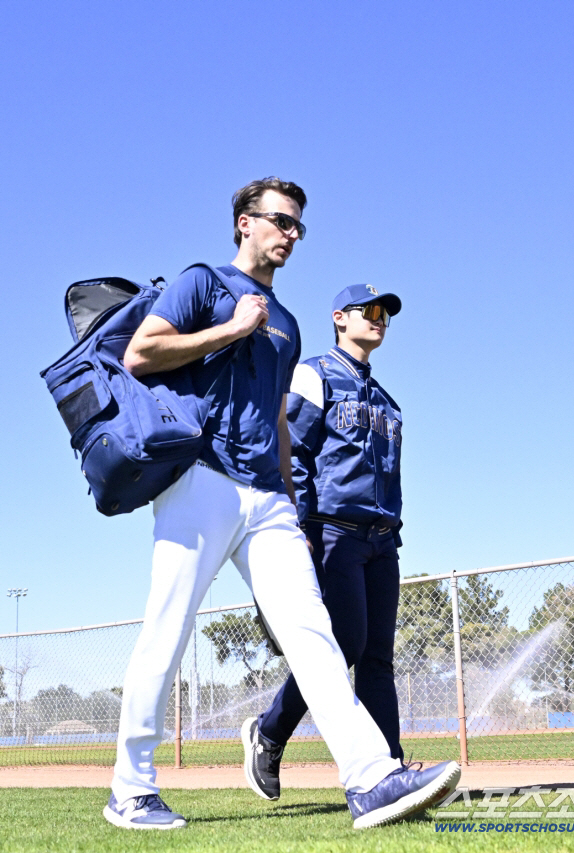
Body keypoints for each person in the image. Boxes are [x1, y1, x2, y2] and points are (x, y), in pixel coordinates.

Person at [103, 177, 460, 831]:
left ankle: (371, 777)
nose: (291, 234)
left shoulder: (288, 324)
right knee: (167, 632)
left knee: (315, 635)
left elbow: (277, 419)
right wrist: (230, 329)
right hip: (202, 480)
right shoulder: (203, 283)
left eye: (298, 225)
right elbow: (140, 354)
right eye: (281, 220)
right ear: (245, 222)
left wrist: (292, 504)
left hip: (269, 499)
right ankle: (131, 790)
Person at [242, 283, 406, 802]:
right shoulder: (314, 374)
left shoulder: (387, 401)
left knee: (377, 658)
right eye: (370, 310)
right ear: (339, 317)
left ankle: (391, 770)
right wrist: (298, 527)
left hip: (382, 539)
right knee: (344, 645)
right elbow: (293, 453)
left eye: (386, 314)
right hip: (331, 531)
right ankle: (269, 732)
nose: (379, 319)